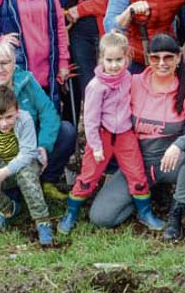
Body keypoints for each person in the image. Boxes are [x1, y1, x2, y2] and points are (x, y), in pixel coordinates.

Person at [84, 34, 185, 240]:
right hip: (135, 164)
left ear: (178, 58)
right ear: (148, 58)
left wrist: (179, 144)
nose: (162, 63)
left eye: (168, 57)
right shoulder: (131, 82)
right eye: (155, 58)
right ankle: (146, 195)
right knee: (101, 217)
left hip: (169, 162)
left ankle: (175, 214)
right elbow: (104, 79)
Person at [59, 32, 165, 234]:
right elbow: (90, 120)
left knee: (136, 173)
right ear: (101, 60)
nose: (114, 65)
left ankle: (145, 212)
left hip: (125, 135)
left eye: (119, 60)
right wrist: (96, 146)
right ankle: (70, 214)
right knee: (88, 176)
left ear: (127, 58)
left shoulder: (128, 78)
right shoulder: (96, 86)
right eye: (109, 60)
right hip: (102, 135)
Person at [0, 42, 76, 198]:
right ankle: (4, 192)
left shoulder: (27, 82)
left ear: (13, 62)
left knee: (66, 131)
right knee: (13, 197)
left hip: (29, 147)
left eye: (5, 63)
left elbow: (48, 112)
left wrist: (44, 145)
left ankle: (46, 181)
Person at [0, 84, 54, 246]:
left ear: (17, 110)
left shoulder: (25, 119)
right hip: (1, 165)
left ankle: (42, 220)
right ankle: (9, 209)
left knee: (26, 175)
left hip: (26, 164)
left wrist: (5, 172)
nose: (4, 124)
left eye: (9, 117)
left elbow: (27, 153)